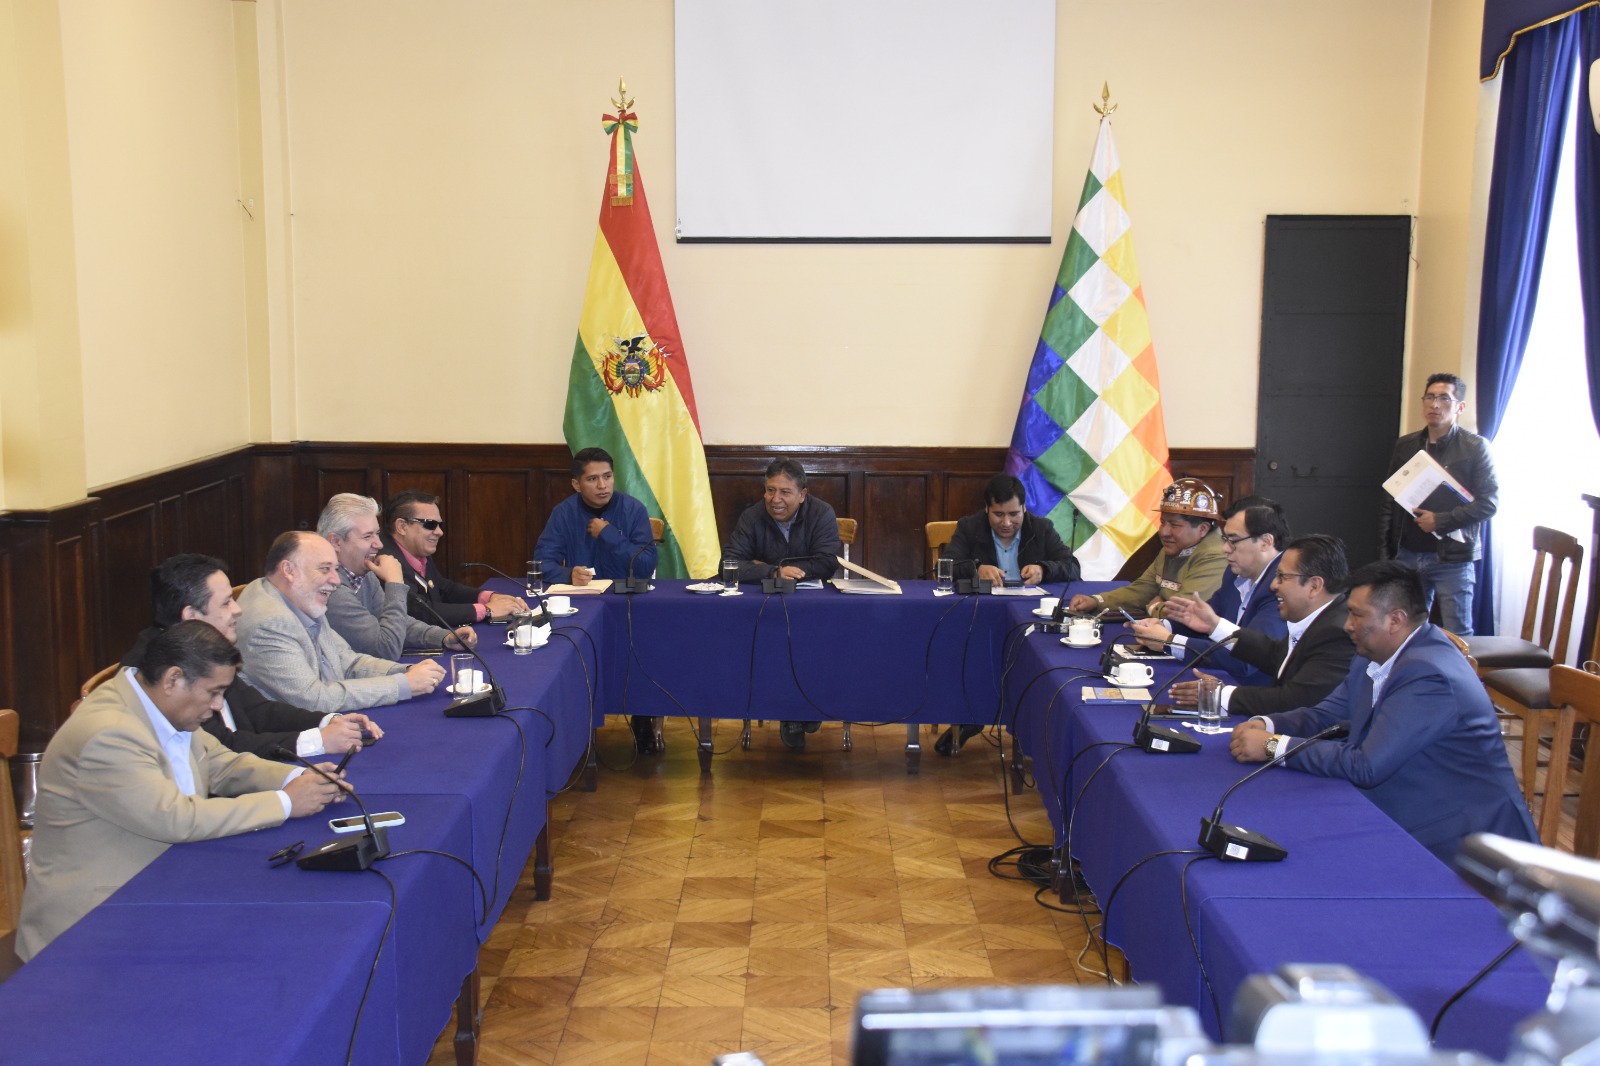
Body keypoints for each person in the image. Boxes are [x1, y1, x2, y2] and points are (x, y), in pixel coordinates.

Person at [16, 622, 348, 960]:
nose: (218, 706)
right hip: (95, 924)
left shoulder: (157, 704)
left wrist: (296, 776)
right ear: (173, 679)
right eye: (213, 692)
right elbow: (175, 818)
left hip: (160, 882)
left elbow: (220, 763)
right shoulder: (109, 733)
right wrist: (286, 802)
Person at [1228, 560, 1537, 863]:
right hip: (1402, 809)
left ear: (1395, 620)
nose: (1347, 625)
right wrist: (1267, 724)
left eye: (1356, 615)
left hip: (1463, 842)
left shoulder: (1430, 676)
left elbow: (1366, 765)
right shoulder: (1371, 654)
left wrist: (1273, 746)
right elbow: (1325, 715)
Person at [121, 553, 382, 759]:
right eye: (226, 603)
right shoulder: (160, 672)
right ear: (191, 615)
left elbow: (258, 710)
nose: (237, 610)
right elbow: (222, 748)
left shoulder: (201, 648)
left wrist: (327, 720)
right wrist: (318, 741)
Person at [236, 532, 445, 713]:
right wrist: (402, 685)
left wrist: (406, 671)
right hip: (290, 736)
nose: (336, 581)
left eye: (335, 569)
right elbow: (314, 699)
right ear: (288, 570)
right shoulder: (270, 623)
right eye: (325, 569)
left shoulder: (300, 596)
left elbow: (348, 662)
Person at [1163, 534, 1356, 718]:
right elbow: (1274, 654)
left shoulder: (1337, 634)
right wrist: (1214, 626)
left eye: (1282, 577)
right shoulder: (1321, 618)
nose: (1273, 585)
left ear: (1314, 586)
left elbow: (1295, 701)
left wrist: (1221, 694)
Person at [725, 457, 842, 750]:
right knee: (772, 641)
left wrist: (769, 565)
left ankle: (809, 704)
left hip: (815, 606)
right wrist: (773, 571)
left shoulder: (822, 512)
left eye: (785, 492)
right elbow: (728, 564)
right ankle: (789, 713)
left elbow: (827, 562)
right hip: (768, 605)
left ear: (802, 494)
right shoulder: (752, 516)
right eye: (770, 490)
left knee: (815, 642)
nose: (775, 499)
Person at [1376, 373, 1498, 635]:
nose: (1435, 404)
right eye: (1429, 397)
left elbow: (1489, 504)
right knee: (1405, 630)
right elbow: (1390, 500)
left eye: (1444, 398)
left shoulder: (1475, 447)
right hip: (1407, 553)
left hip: (1452, 558)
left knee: (1458, 634)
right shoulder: (1406, 445)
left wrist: (1440, 520)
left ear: (1460, 407)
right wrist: (1387, 553)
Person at [1128, 496, 1289, 685]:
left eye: (1233, 540)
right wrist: (1164, 626)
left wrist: (1170, 642)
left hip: (1258, 693)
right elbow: (1205, 620)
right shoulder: (1235, 573)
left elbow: (1248, 661)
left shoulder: (1283, 588)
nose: (1225, 549)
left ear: (1265, 542)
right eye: (1225, 539)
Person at [319, 493, 476, 659]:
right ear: (336, 542)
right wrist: (395, 583)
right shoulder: (331, 589)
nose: (379, 544)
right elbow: (386, 649)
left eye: (377, 534)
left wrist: (444, 637)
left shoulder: (364, 573)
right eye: (367, 536)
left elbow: (397, 622)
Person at [1066, 478, 1227, 618]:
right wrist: (1097, 601)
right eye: (1163, 522)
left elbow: (1185, 613)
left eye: (1174, 525)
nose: (1163, 532)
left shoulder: (1216, 556)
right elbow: (1144, 589)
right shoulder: (1175, 547)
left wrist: (1154, 607)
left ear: (1203, 529)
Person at [379, 490, 528, 626]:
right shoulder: (385, 561)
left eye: (440, 525)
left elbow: (444, 589)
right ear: (402, 526)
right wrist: (487, 610)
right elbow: (420, 612)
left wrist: (489, 597)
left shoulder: (417, 551)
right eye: (430, 524)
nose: (439, 532)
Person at [533, 447, 658, 586]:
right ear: (577, 485)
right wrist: (568, 575)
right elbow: (541, 565)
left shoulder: (634, 510)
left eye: (607, 476)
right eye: (592, 479)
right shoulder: (564, 513)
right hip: (583, 594)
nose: (602, 485)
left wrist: (609, 534)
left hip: (624, 594)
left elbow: (647, 566)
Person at [940, 473, 1080, 588]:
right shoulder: (969, 527)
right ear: (987, 508)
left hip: (1030, 605)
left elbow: (1072, 567)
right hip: (984, 604)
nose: (1006, 523)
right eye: (998, 514)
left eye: (1014, 514)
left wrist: (1043, 570)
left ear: (1024, 508)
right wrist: (976, 569)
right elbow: (944, 567)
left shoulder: (1042, 528)